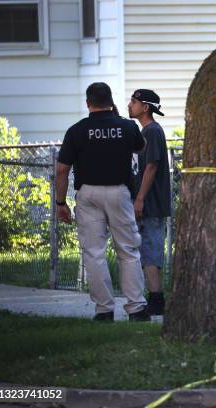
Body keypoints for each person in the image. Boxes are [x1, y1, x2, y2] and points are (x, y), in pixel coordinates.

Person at [55, 82, 150, 322]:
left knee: (94, 253)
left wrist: (60, 203)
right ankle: (136, 308)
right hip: (120, 192)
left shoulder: (76, 131)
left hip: (88, 194)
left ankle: (104, 310)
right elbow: (142, 147)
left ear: (88, 103)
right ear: (111, 101)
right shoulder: (127, 127)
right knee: (128, 250)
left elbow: (62, 170)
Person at [127, 89, 171, 315]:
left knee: (151, 249)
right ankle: (153, 296)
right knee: (144, 250)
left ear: (145, 107)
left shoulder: (152, 131)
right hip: (145, 202)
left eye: (133, 102)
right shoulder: (144, 131)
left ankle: (157, 299)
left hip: (151, 203)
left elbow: (151, 167)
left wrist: (140, 199)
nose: (129, 105)